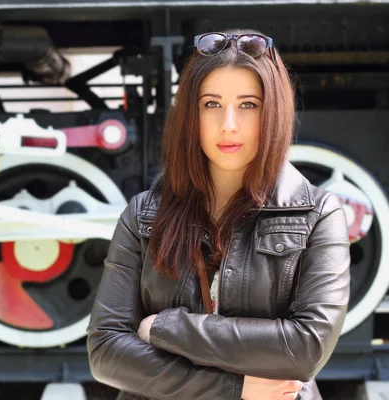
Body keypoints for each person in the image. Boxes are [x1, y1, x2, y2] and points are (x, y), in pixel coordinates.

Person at [86, 29, 351, 400]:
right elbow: (106, 353)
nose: (228, 123)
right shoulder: (144, 214)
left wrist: (167, 327)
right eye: (211, 104)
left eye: (248, 105)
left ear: (273, 112)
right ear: (190, 115)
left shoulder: (319, 214)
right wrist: (234, 388)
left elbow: (306, 348)